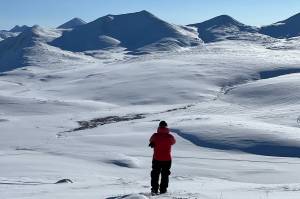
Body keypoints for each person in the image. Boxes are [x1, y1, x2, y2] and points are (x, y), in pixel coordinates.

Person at [149, 121, 176, 195]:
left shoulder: (155, 135)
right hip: (167, 159)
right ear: (166, 127)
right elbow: (173, 142)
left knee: (155, 174)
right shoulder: (170, 136)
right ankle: (163, 190)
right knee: (165, 175)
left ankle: (154, 189)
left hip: (156, 158)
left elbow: (151, 141)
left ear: (159, 127)